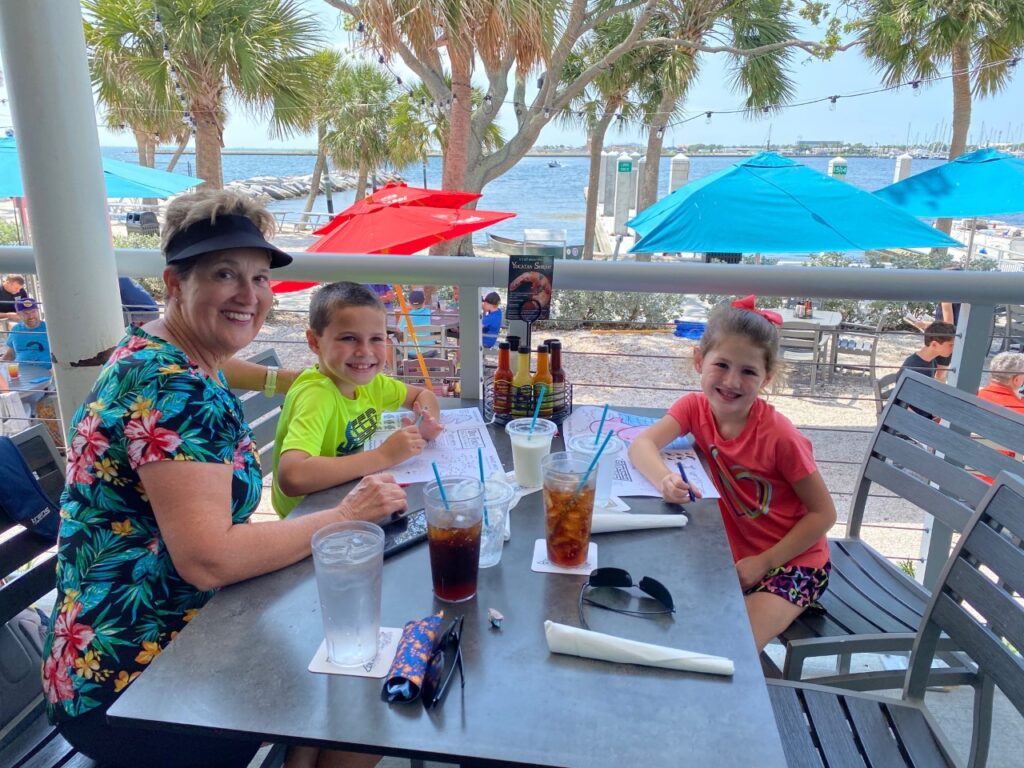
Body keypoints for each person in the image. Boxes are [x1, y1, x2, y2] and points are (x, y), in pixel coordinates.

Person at [40, 190, 407, 768]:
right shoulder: (178, 392)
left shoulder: (151, 352)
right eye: (224, 274)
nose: (249, 295)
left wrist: (297, 382)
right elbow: (209, 560)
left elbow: (221, 361)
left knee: (341, 668)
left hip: (111, 652)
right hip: (136, 681)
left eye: (260, 278)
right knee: (362, 688)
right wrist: (343, 516)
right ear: (174, 283)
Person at [628, 297, 836, 652]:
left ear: (766, 378)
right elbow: (642, 444)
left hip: (791, 564)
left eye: (748, 371)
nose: (731, 381)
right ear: (699, 361)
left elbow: (824, 514)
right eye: (721, 365)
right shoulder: (694, 408)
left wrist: (766, 562)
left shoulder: (780, 437)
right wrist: (664, 479)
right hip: (730, 556)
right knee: (661, 620)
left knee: (731, 648)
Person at [272, 281, 444, 520]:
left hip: (349, 493)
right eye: (349, 338)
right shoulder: (316, 395)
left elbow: (422, 395)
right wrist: (384, 456)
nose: (365, 351)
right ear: (314, 342)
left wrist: (427, 420)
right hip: (310, 515)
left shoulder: (371, 382)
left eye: (376, 338)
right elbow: (293, 476)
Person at [3, 295, 51, 369]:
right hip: (21, 373)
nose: (31, 316)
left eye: (33, 311)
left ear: (38, 311)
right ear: (19, 315)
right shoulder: (16, 329)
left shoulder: (49, 329)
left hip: (48, 372)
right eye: (26, 313)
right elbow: (10, 355)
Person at [396, 288, 438, 358]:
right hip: (429, 351)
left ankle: (414, 367)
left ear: (409, 303)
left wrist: (402, 312)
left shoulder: (406, 316)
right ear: (424, 301)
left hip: (411, 353)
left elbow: (398, 329)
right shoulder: (429, 312)